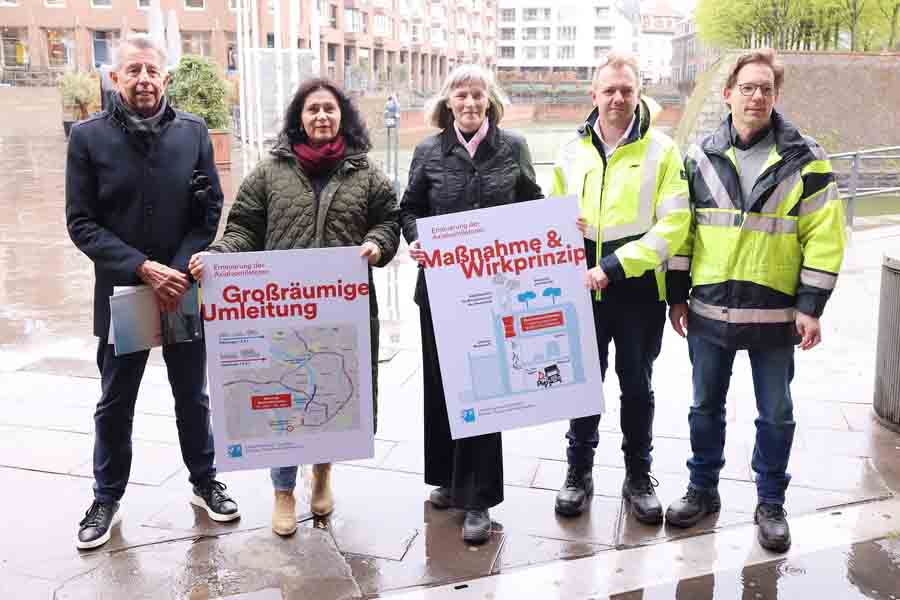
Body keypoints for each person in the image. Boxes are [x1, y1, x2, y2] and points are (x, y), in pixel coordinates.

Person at [188, 78, 399, 537]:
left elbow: (389, 221)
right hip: (282, 312)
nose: (321, 116)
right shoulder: (269, 172)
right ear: (299, 118)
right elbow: (243, 228)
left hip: (342, 309)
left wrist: (376, 244)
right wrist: (218, 256)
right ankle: (283, 491)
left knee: (331, 392)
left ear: (342, 115)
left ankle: (322, 473)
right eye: (312, 109)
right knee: (282, 398)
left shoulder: (366, 173)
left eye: (329, 108)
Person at [664, 49, 846, 553]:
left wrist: (811, 306)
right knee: (704, 407)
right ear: (728, 94)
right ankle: (702, 490)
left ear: (776, 95)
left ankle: (770, 503)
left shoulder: (806, 158)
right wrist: (676, 296)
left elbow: (825, 235)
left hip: (776, 314)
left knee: (776, 414)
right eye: (747, 87)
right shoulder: (699, 156)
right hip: (708, 311)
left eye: (766, 88)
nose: (757, 97)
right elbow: (682, 232)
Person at [66, 35, 239, 551]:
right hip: (124, 291)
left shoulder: (192, 132)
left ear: (166, 78)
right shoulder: (88, 137)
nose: (143, 79)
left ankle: (205, 481)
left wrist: (177, 271)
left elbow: (209, 209)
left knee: (192, 395)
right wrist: (143, 268)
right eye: (133, 70)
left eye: (152, 71)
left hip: (181, 288)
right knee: (116, 401)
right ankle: (106, 497)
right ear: (115, 77)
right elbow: (81, 223)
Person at [399, 64, 543, 545]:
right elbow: (409, 208)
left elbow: (533, 203)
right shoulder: (428, 151)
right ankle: (448, 478)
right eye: (461, 94)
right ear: (448, 102)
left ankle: (478, 498)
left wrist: (554, 230)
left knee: (485, 388)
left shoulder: (513, 147)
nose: (469, 102)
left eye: (477, 94)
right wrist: (417, 239)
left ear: (489, 100)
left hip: (496, 289)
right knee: (442, 387)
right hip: (440, 289)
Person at [550, 52, 691, 524]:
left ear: (638, 93)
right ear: (594, 95)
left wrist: (614, 265)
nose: (617, 98)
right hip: (580, 289)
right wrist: (558, 226)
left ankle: (638, 476)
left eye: (626, 90)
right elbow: (550, 211)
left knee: (637, 385)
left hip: (637, 291)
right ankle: (578, 472)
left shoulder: (662, 151)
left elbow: (675, 225)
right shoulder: (570, 150)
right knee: (582, 386)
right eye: (609, 90)